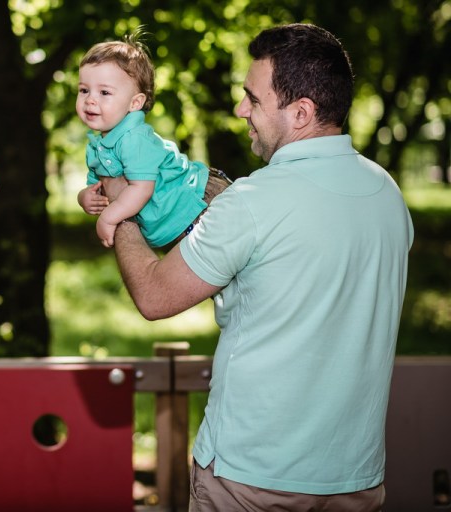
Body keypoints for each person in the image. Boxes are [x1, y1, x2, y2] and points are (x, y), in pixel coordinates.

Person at [103, 23, 413, 511]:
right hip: (354, 478)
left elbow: (154, 294)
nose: (240, 110)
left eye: (253, 99)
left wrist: (118, 209)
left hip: (252, 480)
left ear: (301, 113)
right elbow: (298, 252)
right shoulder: (387, 193)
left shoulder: (255, 201)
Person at [76, 34, 231, 249]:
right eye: (84, 90)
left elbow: (141, 188)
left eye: (104, 92)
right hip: (179, 218)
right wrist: (84, 198)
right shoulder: (96, 146)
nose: (90, 99)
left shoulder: (134, 138)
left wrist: (108, 217)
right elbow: (98, 187)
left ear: (135, 103)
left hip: (198, 201)